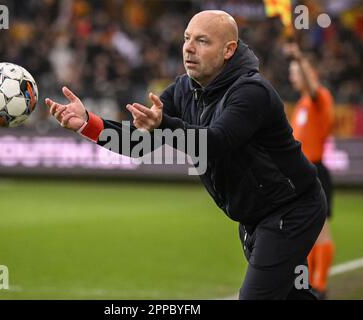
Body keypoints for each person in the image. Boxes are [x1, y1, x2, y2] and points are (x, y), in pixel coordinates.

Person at [46, 10, 327, 300]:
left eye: (202, 41)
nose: (189, 48)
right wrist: (88, 124)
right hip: (255, 216)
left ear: (228, 50)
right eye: (186, 39)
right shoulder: (184, 88)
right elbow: (138, 144)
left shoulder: (252, 92)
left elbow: (215, 142)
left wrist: (165, 124)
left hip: (291, 210)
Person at [285, 42, 335, 300]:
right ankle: (313, 284)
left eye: (296, 71)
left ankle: (321, 284)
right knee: (310, 232)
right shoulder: (303, 103)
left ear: (308, 72)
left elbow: (313, 86)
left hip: (316, 171)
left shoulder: (319, 98)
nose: (292, 76)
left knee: (321, 229)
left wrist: (299, 57)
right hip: (303, 173)